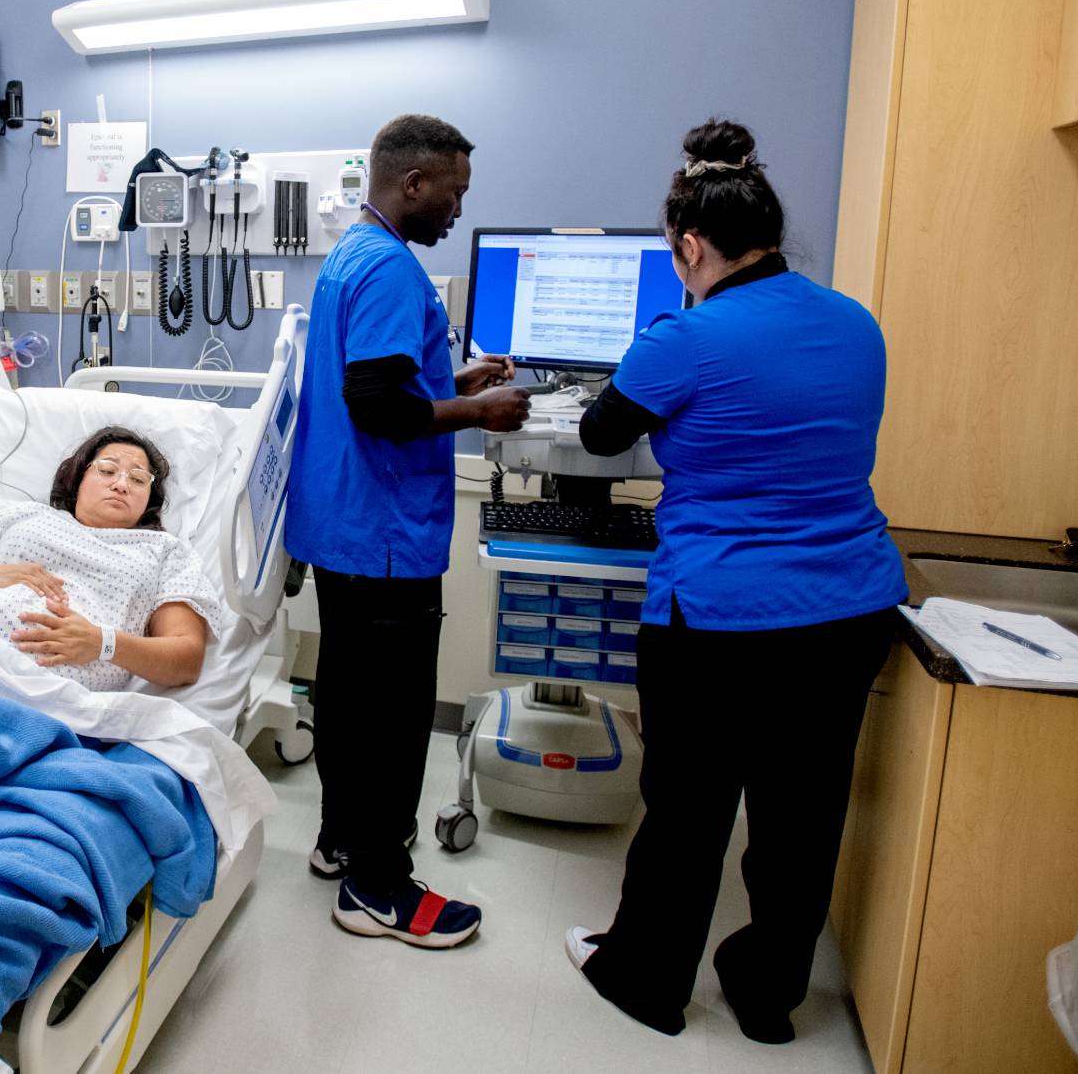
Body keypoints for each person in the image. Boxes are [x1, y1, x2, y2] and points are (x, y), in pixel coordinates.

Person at [563, 119, 908, 1041]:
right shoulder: (856, 320)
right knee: (803, 814)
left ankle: (645, 979)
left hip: (719, 613)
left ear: (689, 245)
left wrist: (660, 348)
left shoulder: (687, 335)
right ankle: (766, 996)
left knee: (687, 807)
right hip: (848, 606)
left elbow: (600, 433)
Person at [284, 113, 532, 949]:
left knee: (349, 696)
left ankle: (342, 842)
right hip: (383, 529)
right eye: (454, 193)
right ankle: (379, 888)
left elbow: (382, 378)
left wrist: (454, 380)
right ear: (414, 183)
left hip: (345, 523)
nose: (458, 211)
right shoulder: (391, 268)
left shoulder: (354, 252)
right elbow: (380, 406)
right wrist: (480, 408)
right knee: (389, 717)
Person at [0, 426, 217, 690]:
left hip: (45, 693)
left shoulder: (164, 551)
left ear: (149, 499)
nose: (122, 484)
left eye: (138, 479)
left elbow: (185, 660)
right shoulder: (24, 515)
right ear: (79, 477)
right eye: (107, 470)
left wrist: (103, 643)